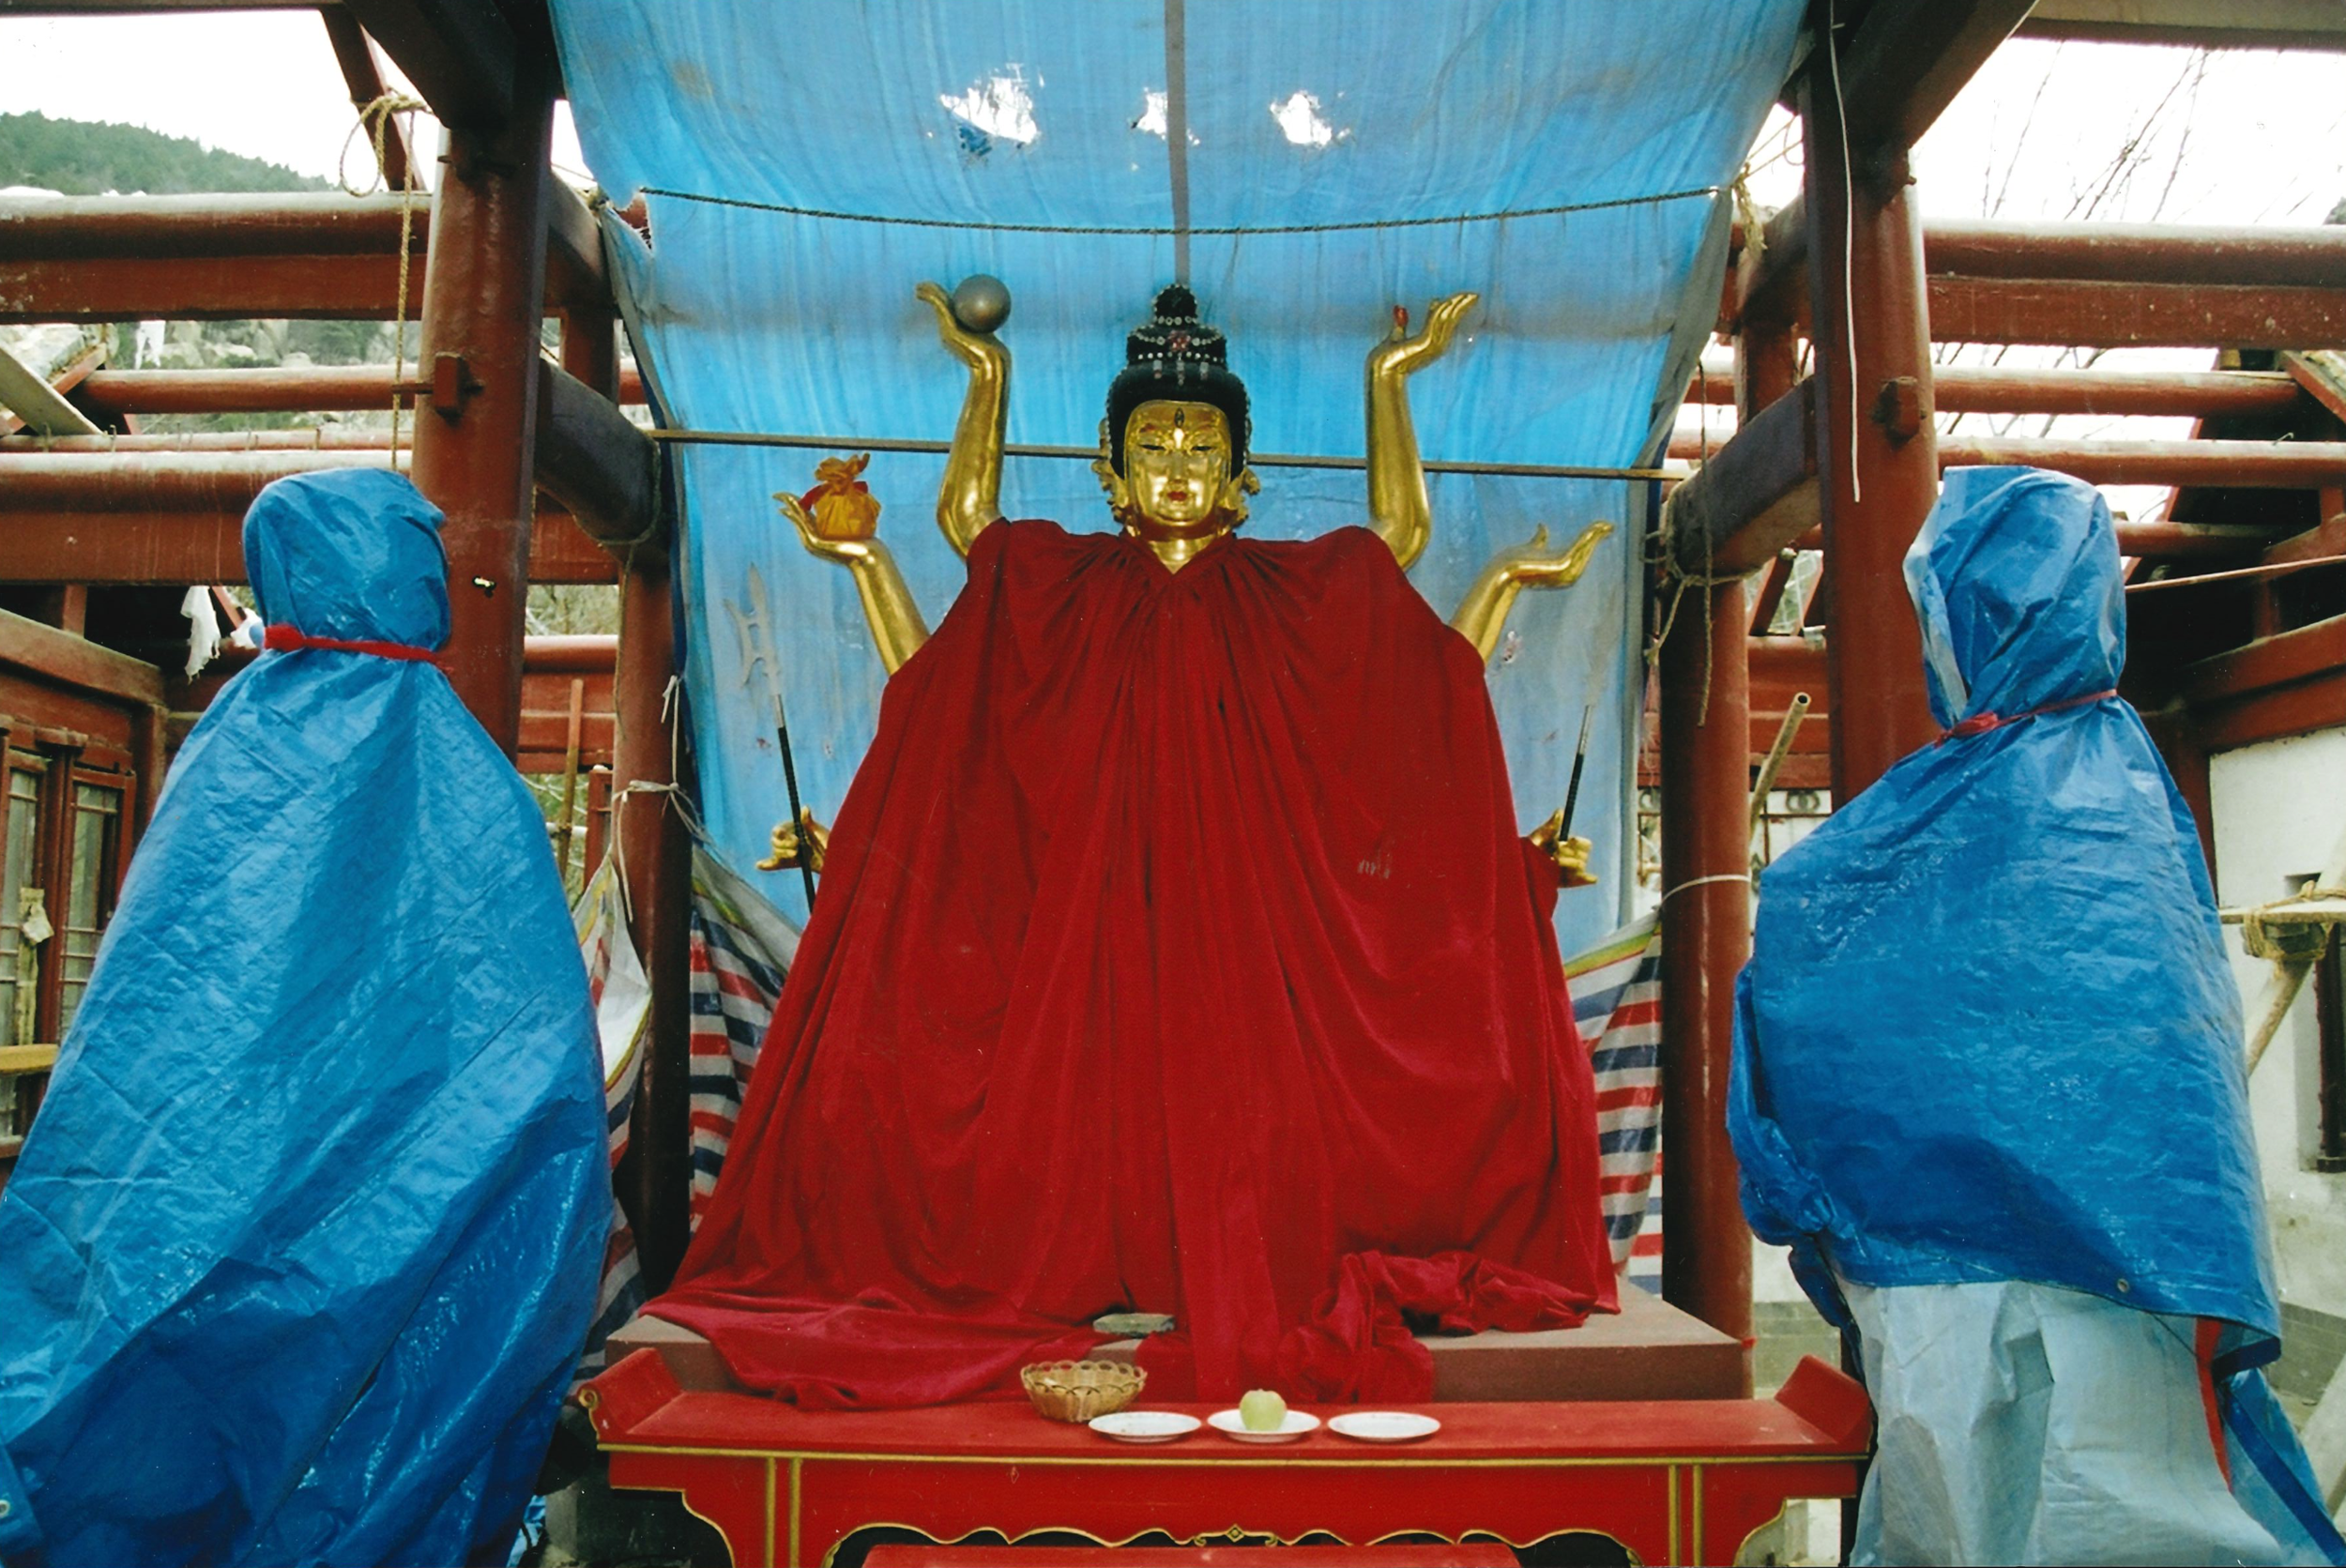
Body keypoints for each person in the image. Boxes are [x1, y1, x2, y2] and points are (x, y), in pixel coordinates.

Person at [647, 284, 1620, 1408]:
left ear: (1241, 470)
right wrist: (986, 376)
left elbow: (1394, 549)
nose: (1177, 468)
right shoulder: (1057, 584)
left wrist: (1388, 379)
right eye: (1152, 444)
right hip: (1087, 937)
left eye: (1202, 446)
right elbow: (970, 529)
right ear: (1109, 467)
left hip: (1243, 951)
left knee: (1288, 1122)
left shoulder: (1288, 594)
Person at [1732, 466, 2344, 1566]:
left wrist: (1802, 1189)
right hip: (2133, 1253)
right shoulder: (2129, 794)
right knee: (2129, 1509)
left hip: (1933, 1266)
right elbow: (2175, 1056)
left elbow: (1805, 973)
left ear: (1963, 610)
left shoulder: (1897, 830)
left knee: (1957, 1513)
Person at [0, 469, 609, 1567]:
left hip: (206, 1203)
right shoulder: (471, 778)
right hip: (422, 1208)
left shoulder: (234, 754)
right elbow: (536, 1043)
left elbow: (161, 1015)